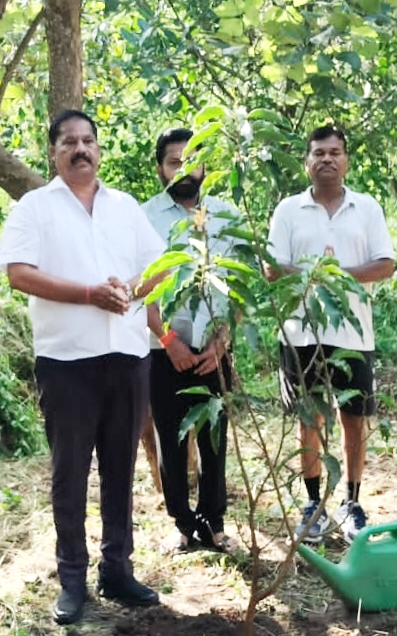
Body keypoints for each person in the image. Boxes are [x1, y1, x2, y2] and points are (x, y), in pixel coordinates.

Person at [0, 110, 166, 625]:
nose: (80, 149)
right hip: (67, 362)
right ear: (53, 153)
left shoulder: (126, 206)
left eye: (88, 141)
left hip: (127, 356)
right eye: (69, 142)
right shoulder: (34, 208)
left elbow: (159, 268)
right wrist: (89, 295)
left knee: (120, 468)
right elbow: (19, 274)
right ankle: (71, 579)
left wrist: (129, 290)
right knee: (70, 474)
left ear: (98, 149)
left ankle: (118, 570)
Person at [266, 125, 396, 544]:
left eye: (335, 152)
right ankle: (313, 503)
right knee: (310, 418)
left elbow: (385, 264)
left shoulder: (367, 207)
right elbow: (272, 268)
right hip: (300, 333)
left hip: (353, 335)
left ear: (346, 161)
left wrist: (335, 278)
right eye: (319, 152)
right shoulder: (288, 210)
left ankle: (352, 502)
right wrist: (313, 277)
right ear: (307, 162)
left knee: (353, 420)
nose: (327, 159)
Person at [141, 127, 239, 554]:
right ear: (160, 168)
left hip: (215, 346)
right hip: (165, 349)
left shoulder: (226, 214)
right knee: (171, 436)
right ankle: (181, 522)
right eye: (172, 162)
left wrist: (223, 337)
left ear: (205, 165)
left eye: (189, 161)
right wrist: (168, 340)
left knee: (214, 436)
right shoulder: (143, 217)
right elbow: (139, 286)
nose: (182, 170)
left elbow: (239, 282)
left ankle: (214, 521)